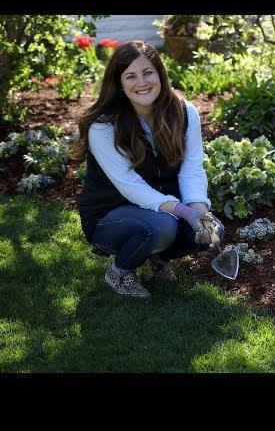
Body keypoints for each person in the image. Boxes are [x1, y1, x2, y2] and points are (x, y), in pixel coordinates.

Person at [69, 40, 224, 298]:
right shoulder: (104, 126)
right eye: (130, 76)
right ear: (119, 84)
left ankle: (158, 259)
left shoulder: (185, 112)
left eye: (147, 72)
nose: (141, 82)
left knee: (211, 231)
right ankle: (119, 272)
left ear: (160, 74)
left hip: (164, 208)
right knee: (162, 227)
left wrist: (198, 209)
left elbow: (192, 166)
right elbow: (128, 184)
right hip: (111, 213)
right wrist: (182, 211)